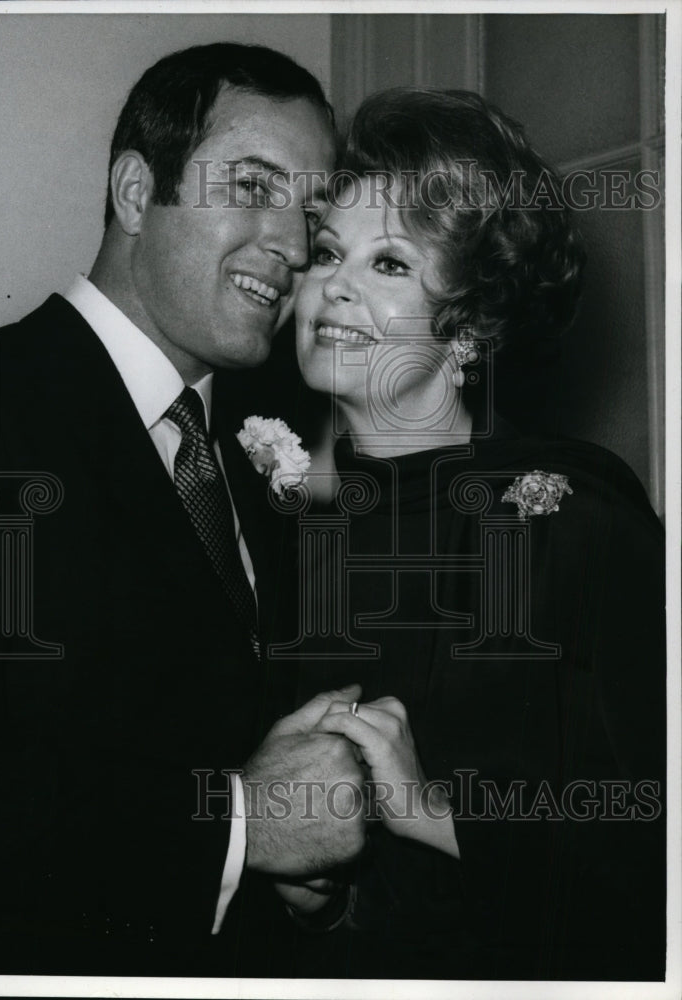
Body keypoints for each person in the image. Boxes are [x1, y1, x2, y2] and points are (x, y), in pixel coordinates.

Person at [0, 42, 368, 978]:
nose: (295, 248)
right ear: (137, 192)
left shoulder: (251, 463)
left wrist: (290, 872)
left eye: (308, 212)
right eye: (253, 188)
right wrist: (241, 831)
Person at [284, 88, 666, 980]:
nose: (332, 282)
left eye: (390, 265)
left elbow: (654, 843)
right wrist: (319, 893)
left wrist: (433, 812)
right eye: (329, 251)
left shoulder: (566, 516)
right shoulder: (299, 534)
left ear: (471, 325)